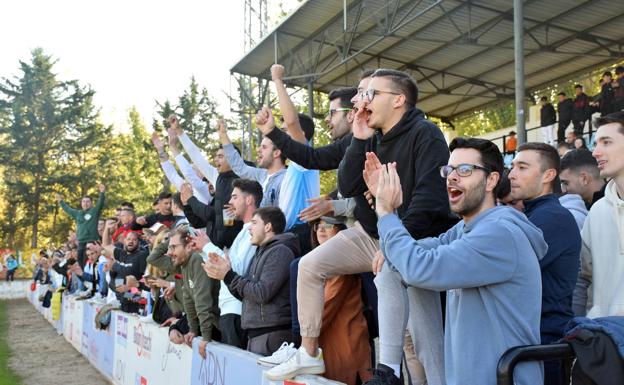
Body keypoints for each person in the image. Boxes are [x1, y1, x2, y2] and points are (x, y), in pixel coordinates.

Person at [267, 69, 455, 383]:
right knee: (309, 266)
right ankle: (309, 353)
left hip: (415, 238)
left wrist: (398, 242)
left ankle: (399, 373)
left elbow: (430, 198)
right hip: (371, 233)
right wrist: (358, 140)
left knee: (421, 338)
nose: (362, 101)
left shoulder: (425, 133)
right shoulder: (367, 133)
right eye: (361, 94)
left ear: (398, 100)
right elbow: (347, 183)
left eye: (370, 94)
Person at [371, 137, 545, 385]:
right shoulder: (464, 230)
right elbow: (408, 258)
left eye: (464, 170)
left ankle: (390, 372)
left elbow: (420, 268)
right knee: (396, 267)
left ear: (492, 180)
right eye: (449, 170)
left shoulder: (500, 234)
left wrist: (387, 214)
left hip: (502, 380)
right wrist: (387, 208)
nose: (452, 177)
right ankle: (390, 370)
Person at [508, 142, 581, 385]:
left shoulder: (552, 218)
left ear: (548, 175)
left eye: (522, 167)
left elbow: (502, 267)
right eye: (512, 166)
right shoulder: (533, 215)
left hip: (544, 345)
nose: (511, 174)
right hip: (533, 342)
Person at [205, 207, 297, 356]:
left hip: (271, 336)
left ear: (268, 227)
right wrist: (224, 274)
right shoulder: (261, 252)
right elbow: (247, 296)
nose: (249, 228)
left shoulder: (280, 251)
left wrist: (228, 276)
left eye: (254, 223)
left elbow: (261, 293)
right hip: (256, 335)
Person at [195, 178, 263, 349]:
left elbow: (235, 269)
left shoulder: (252, 231)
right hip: (228, 309)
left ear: (249, 200)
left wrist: (207, 245)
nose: (230, 202)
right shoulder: (244, 230)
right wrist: (204, 249)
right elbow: (226, 265)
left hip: (236, 310)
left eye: (234, 197)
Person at [573, 112, 624, 318]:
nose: (595, 152)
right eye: (596, 143)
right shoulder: (597, 211)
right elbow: (583, 277)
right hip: (605, 340)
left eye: (606, 142)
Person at [171, 115, 244, 249]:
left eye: (220, 156)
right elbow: (197, 157)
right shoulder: (219, 177)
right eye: (216, 156)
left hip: (234, 247)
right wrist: (179, 131)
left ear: (234, 158)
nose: (216, 160)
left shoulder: (242, 181)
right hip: (218, 247)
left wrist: (191, 199)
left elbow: (214, 213)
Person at [168, 226, 221, 359]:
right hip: (211, 325)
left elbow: (203, 301)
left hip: (221, 327)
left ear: (189, 246)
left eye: (173, 247)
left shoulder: (197, 259)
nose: (169, 252)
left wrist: (205, 336)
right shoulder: (185, 263)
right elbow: (189, 301)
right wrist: (192, 330)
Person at [56, 183, 106, 267]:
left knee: (91, 262)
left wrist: (102, 193)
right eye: (84, 201)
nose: (85, 203)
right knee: (80, 263)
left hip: (92, 241)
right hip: (81, 242)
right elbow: (67, 209)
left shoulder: (94, 211)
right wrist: (60, 201)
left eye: (88, 201)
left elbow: (100, 203)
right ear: (81, 203)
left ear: (91, 203)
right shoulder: (78, 213)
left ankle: (93, 278)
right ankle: (84, 279)